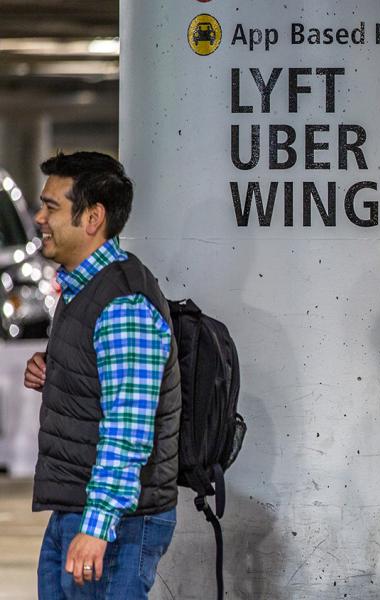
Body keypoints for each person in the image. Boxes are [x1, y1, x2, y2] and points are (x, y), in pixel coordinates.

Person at [23, 152, 181, 599]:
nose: (39, 218)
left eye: (52, 207)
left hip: (114, 523)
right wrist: (55, 373)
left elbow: (128, 429)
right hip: (79, 508)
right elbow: (100, 390)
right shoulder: (83, 290)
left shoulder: (123, 303)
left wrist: (97, 527)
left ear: (92, 217)